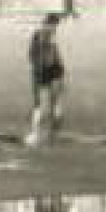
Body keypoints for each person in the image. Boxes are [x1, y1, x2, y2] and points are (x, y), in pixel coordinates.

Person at [25, 12, 67, 146]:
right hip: (52, 71)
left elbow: (31, 54)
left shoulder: (39, 34)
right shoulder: (49, 36)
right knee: (54, 105)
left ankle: (35, 134)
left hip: (43, 71)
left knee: (39, 104)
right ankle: (53, 134)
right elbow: (51, 55)